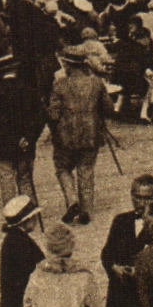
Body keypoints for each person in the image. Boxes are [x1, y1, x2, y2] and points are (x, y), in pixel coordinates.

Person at [48, 49, 111, 224]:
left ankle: (72, 200)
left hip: (65, 136)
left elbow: (53, 115)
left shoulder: (60, 85)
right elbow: (109, 108)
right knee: (86, 169)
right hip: (91, 134)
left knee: (63, 168)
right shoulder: (96, 83)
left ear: (67, 65)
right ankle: (87, 211)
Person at [102, 175, 153, 307]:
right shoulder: (120, 221)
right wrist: (114, 267)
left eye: (147, 198)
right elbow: (106, 253)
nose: (141, 203)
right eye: (136, 197)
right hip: (120, 301)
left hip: (146, 304)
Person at [0, 51, 42, 205]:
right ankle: (29, 212)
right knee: (25, 179)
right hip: (24, 141)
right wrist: (30, 137)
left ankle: (12, 215)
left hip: (1, 141)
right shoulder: (29, 91)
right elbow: (39, 117)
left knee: (6, 180)